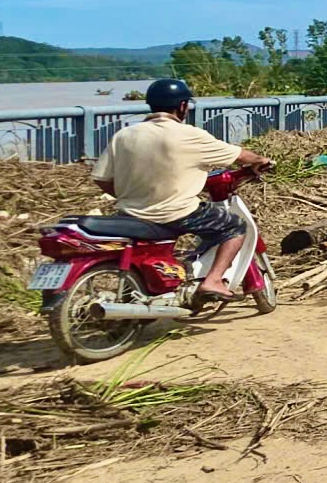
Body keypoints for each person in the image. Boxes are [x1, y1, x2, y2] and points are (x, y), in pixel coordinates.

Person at [90, 78, 272, 310]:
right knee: (235, 227)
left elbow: (101, 178)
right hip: (176, 213)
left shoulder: (124, 135)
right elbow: (237, 154)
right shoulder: (188, 134)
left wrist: (130, 195)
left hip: (129, 214)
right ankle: (214, 280)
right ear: (183, 106)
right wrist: (261, 160)